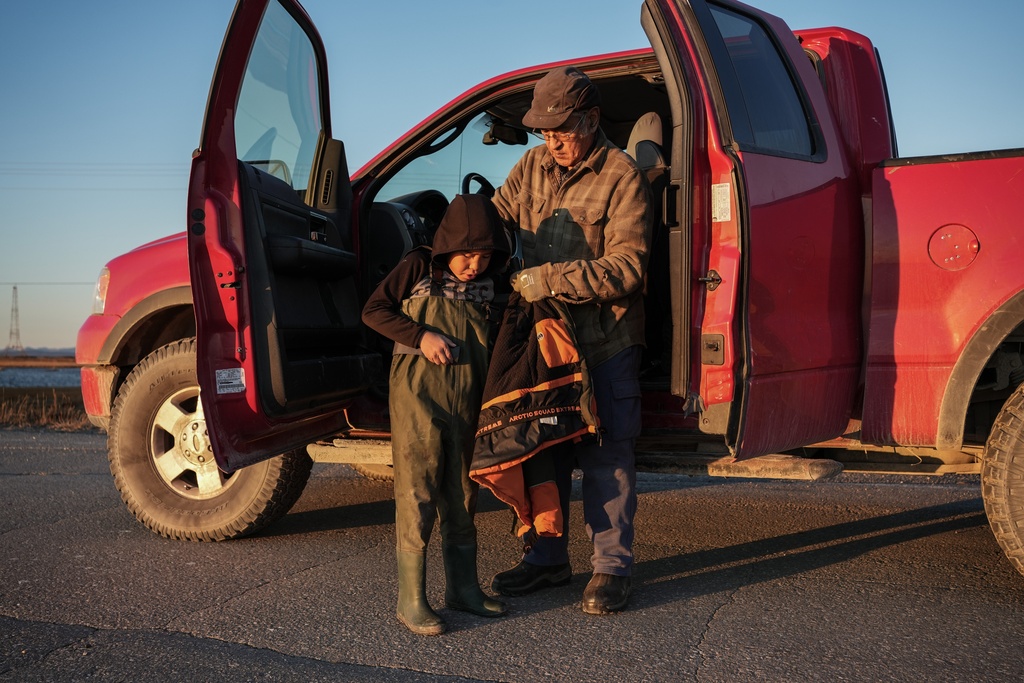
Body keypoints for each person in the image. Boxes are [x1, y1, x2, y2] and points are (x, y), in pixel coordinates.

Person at [489, 66, 653, 614]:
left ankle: (611, 569)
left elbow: (627, 267)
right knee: (543, 448)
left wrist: (550, 278)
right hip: (547, 340)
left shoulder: (622, 175)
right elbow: (497, 219)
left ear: (591, 119)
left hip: (604, 338)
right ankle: (546, 559)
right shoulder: (533, 164)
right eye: (543, 131)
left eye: (562, 130)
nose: (551, 141)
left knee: (606, 453)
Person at [361, 194, 510, 635]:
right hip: (417, 398)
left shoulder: (495, 283)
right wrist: (422, 334)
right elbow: (373, 311)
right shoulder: (418, 266)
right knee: (418, 491)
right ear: (448, 245)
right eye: (467, 254)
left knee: (463, 493)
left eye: (484, 255)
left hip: (468, 398)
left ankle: (463, 589)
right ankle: (411, 600)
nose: (474, 265)